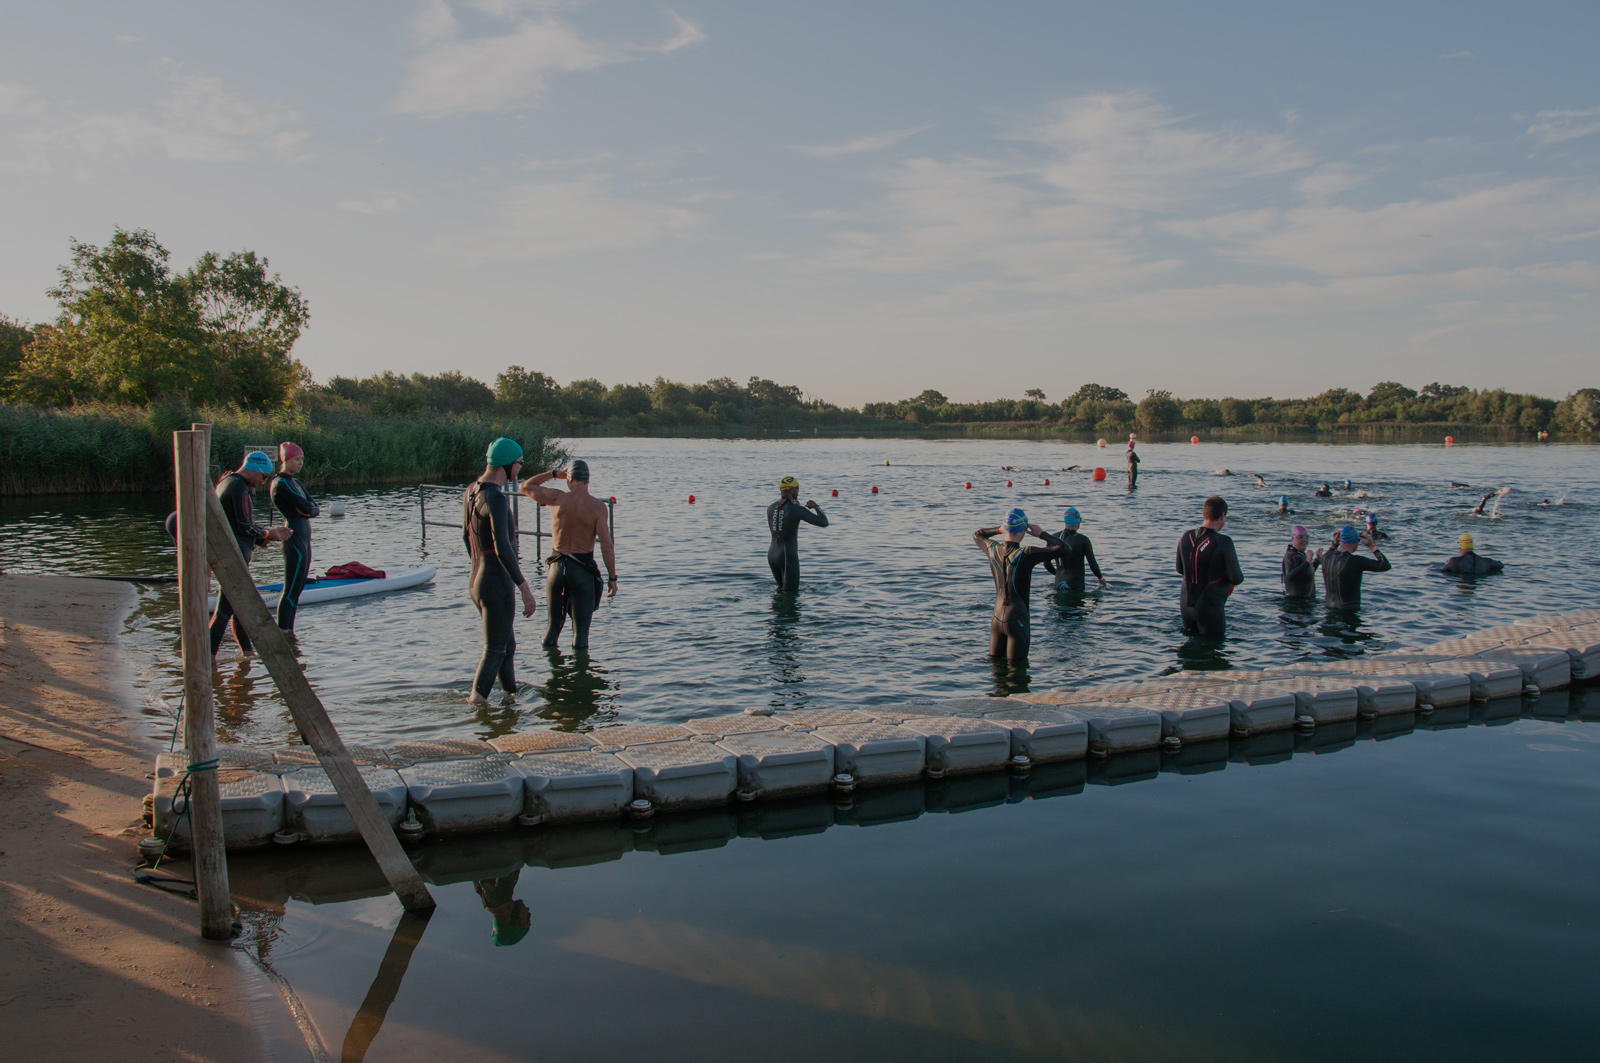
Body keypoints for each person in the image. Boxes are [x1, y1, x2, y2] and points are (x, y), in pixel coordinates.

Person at [463, 438, 537, 704]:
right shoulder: (495, 497)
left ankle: (510, 699)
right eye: (519, 463)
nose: (520, 469)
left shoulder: (472, 490)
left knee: (507, 646)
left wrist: (478, 571)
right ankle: (476, 705)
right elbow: (503, 548)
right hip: (496, 581)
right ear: (507, 465)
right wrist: (524, 588)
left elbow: (465, 536)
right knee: (494, 649)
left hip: (476, 579)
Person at [521, 458, 618, 650]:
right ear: (588, 480)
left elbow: (526, 486)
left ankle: (551, 674)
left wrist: (553, 474)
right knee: (580, 635)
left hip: (556, 570)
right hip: (581, 572)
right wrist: (612, 578)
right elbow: (606, 546)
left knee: (552, 630)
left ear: (569, 479)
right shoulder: (598, 507)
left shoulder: (557, 498)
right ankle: (580, 674)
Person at [209, 451, 293, 656]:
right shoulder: (238, 486)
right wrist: (268, 533)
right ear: (256, 469)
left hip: (231, 555)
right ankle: (207, 657)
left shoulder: (227, 481)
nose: (264, 482)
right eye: (264, 476)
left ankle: (247, 655)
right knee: (225, 610)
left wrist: (265, 536)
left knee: (240, 609)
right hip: (233, 558)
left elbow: (238, 526)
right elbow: (245, 527)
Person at [974, 509, 1069, 661]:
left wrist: (999, 529)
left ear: (1005, 528)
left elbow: (978, 534)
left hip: (997, 618)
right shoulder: (1026, 554)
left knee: (995, 669)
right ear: (1024, 529)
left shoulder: (993, 549)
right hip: (1017, 617)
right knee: (1017, 671)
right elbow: (1064, 548)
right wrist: (1041, 534)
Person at [269, 442, 320, 633]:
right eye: (297, 459)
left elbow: (314, 507)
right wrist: (308, 509)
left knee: (298, 589)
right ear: (286, 460)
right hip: (293, 539)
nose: (300, 463)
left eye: (302, 460)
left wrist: (309, 510)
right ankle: (283, 630)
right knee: (290, 590)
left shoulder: (296, 483)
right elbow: (306, 507)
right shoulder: (280, 483)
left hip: (305, 539)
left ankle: (290, 631)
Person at [1175, 496, 1244, 636]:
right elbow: (1236, 578)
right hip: (1209, 607)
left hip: (1185, 605)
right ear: (1223, 515)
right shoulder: (1224, 541)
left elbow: (1180, 569)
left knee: (1189, 650)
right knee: (1213, 650)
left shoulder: (1185, 536)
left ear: (1204, 513)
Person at [762, 475, 828, 592]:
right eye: (797, 488)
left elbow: (783, 521)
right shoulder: (796, 509)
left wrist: (795, 507)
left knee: (780, 592)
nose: (798, 491)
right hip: (787, 556)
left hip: (772, 555)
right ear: (791, 489)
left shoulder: (770, 508)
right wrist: (816, 506)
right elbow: (824, 522)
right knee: (790, 595)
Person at [1321, 524, 1391, 610]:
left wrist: (1334, 544)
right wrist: (1372, 546)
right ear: (1355, 542)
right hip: (1349, 612)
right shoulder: (1355, 561)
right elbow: (1385, 565)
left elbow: (1330, 552)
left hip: (1328, 609)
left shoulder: (1325, 558)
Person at [1043, 507, 1106, 592]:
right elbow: (1092, 564)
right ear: (1078, 521)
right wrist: (1100, 577)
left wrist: (1057, 574)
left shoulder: (1053, 538)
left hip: (1058, 583)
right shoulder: (1083, 540)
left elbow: (1046, 564)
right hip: (1076, 586)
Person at [1281, 526, 1322, 598]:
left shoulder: (1301, 554)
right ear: (1293, 538)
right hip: (1296, 603)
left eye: (1306, 537)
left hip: (1306, 601)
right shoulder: (1290, 555)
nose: (1304, 540)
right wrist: (1307, 561)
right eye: (1300, 537)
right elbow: (1291, 576)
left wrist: (1317, 560)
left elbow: (1306, 573)